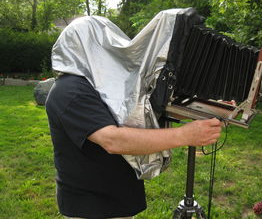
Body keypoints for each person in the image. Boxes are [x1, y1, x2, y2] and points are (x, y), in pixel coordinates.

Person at [46, 73, 222, 219]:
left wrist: (213, 109)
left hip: (115, 197)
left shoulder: (98, 82)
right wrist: (185, 135)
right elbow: (112, 140)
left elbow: (140, 115)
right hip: (92, 206)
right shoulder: (70, 90)